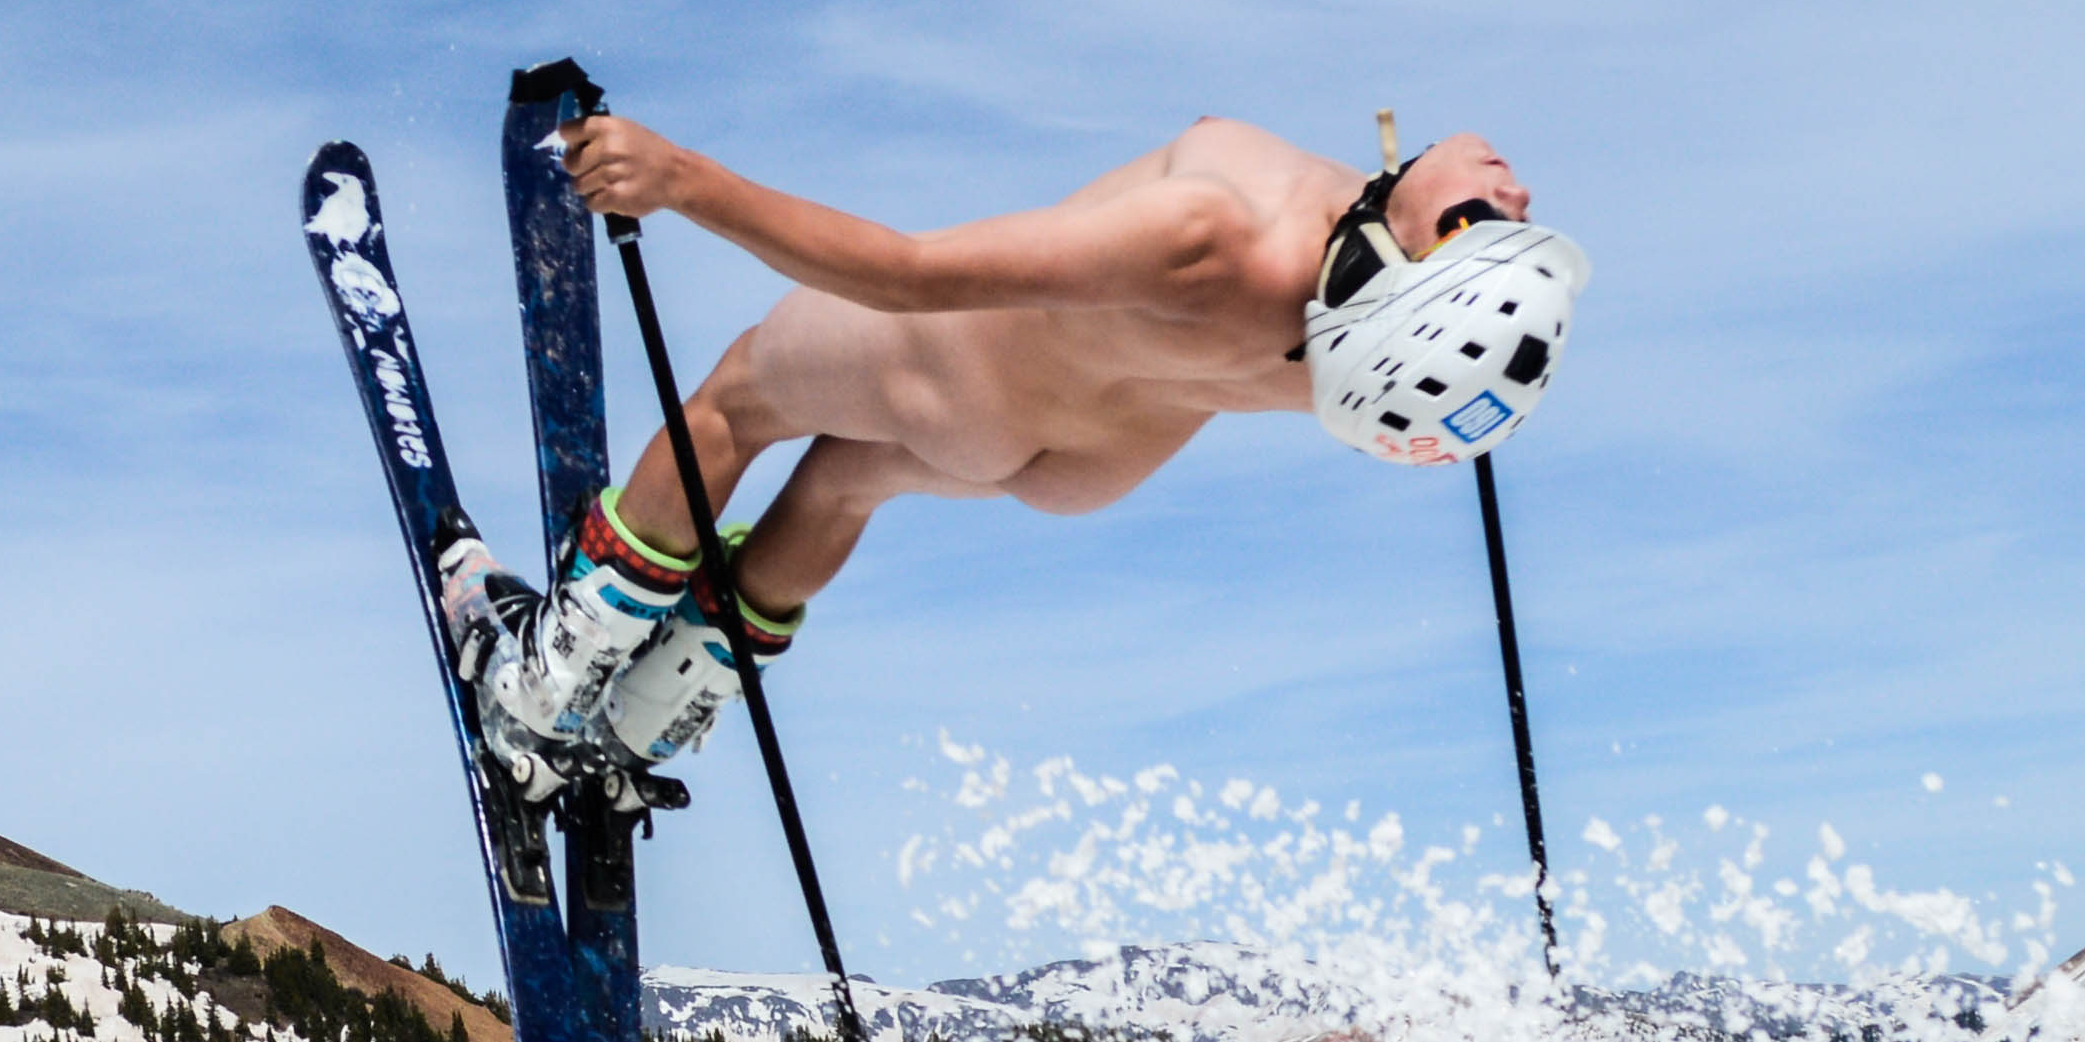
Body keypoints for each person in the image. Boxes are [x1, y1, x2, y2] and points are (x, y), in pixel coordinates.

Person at [456, 105, 1585, 790]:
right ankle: (656, 708)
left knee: (737, 404)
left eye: (1475, 227)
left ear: (1385, 268)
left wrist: (683, 180)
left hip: (963, 373)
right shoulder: (1361, 368)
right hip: (1080, 462)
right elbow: (1414, 408)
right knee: (844, 481)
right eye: (1512, 224)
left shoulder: (1214, 241)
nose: (1511, 186)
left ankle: (546, 682)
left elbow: (906, 271)